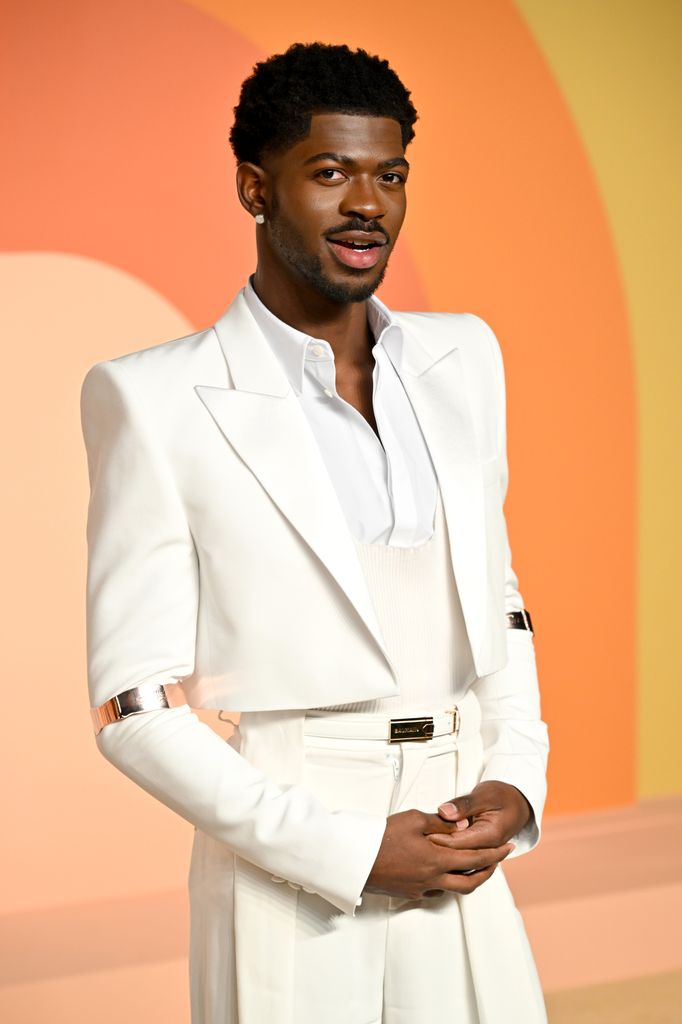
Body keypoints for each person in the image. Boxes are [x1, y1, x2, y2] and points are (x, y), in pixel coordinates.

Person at [81, 42, 549, 1024]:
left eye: (389, 175)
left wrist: (516, 776)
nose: (366, 203)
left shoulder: (464, 357)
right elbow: (133, 706)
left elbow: (497, 596)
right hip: (286, 859)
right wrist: (345, 849)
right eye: (329, 173)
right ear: (256, 188)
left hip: (462, 833)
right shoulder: (152, 396)